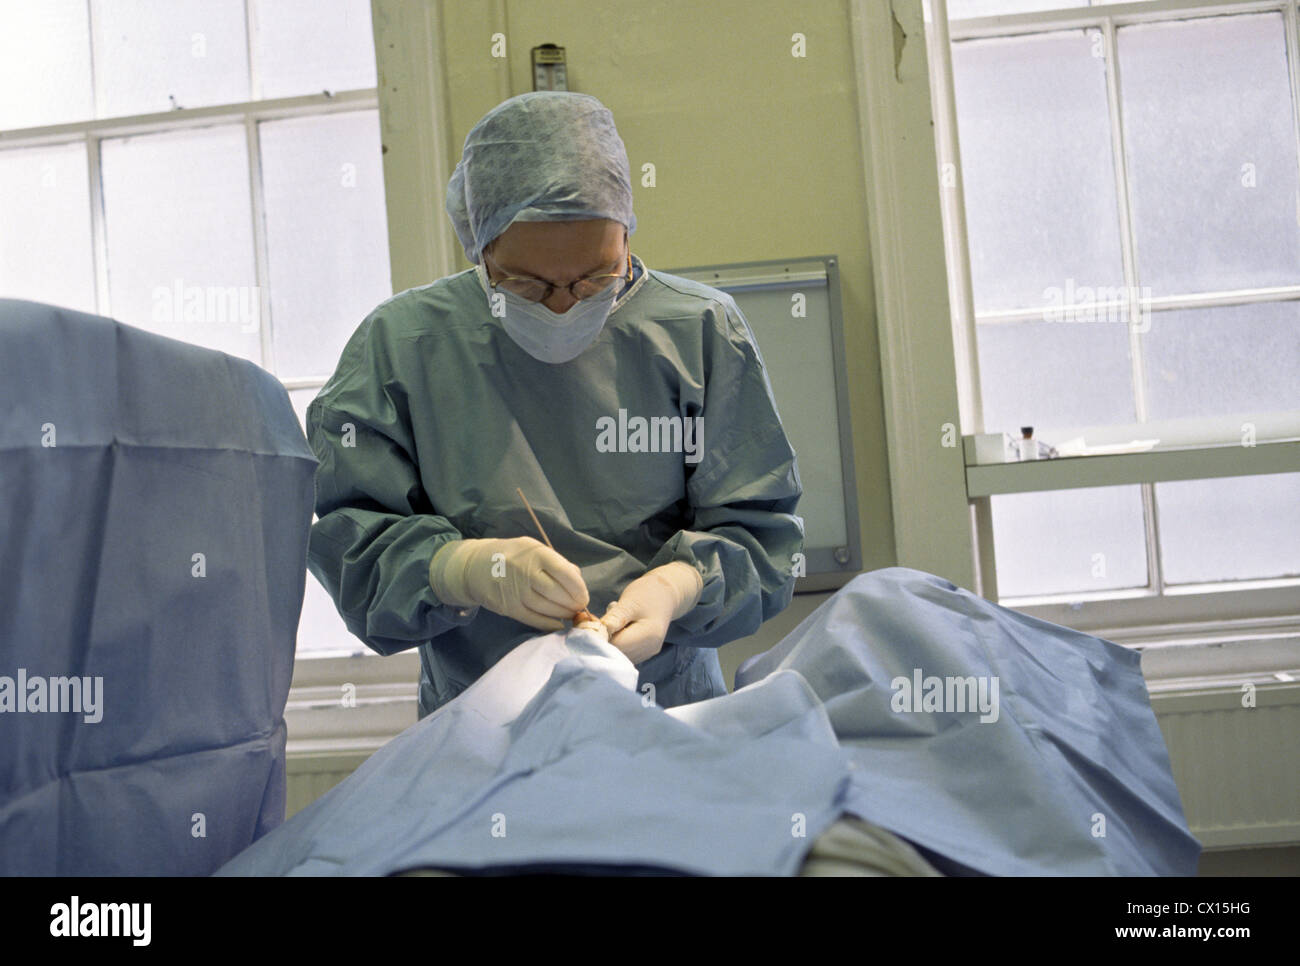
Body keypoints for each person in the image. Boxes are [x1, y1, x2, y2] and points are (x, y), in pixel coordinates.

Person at [306, 91, 804, 718]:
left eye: (596, 277)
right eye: (527, 284)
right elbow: (354, 546)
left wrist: (675, 588)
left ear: (627, 236)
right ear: (480, 249)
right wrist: (461, 569)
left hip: (666, 714)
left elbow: (761, 539)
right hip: (483, 727)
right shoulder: (403, 348)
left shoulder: (698, 331)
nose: (564, 305)